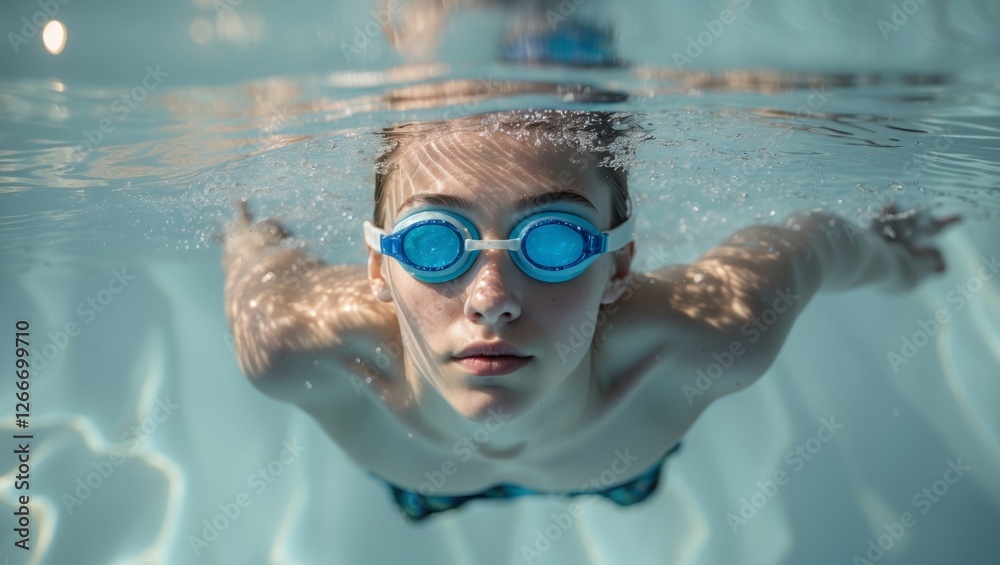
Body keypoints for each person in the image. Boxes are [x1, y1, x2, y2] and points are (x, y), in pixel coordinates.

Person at [221, 109, 959, 521]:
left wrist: (900, 258)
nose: (491, 297)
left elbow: (813, 244)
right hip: (428, 478)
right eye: (434, 241)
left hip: (620, 465)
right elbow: (249, 232)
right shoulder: (292, 340)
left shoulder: (710, 339)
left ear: (620, 265)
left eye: (554, 241)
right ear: (378, 264)